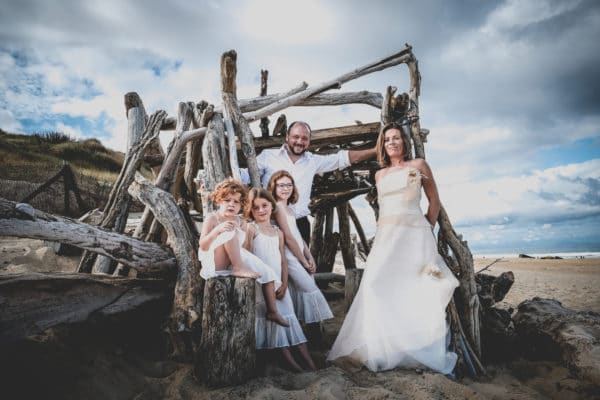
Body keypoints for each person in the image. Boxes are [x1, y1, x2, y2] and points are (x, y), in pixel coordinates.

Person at [327, 122, 459, 373]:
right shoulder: (379, 175)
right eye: (387, 139)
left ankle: (416, 348)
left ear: (404, 142)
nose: (392, 142)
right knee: (375, 285)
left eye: (396, 138)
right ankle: (383, 347)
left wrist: (424, 229)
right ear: (383, 145)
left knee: (414, 290)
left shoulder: (419, 166)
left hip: (415, 238)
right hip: (387, 237)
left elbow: (434, 203)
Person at [242, 120, 376, 243]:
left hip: (299, 224)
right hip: (270, 222)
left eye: (304, 138)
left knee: (302, 266)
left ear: (309, 141)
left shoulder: (313, 161)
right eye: (296, 137)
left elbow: (343, 158)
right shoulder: (268, 156)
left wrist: (375, 151)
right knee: (273, 266)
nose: (300, 141)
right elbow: (246, 176)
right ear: (287, 137)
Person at [198, 178, 289, 327]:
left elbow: (244, 249)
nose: (232, 205)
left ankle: (272, 311)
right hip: (215, 262)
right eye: (227, 200)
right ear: (218, 201)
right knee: (230, 232)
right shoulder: (212, 218)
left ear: (242, 205)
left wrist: (256, 264)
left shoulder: (241, 222)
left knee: (267, 272)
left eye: (236, 202)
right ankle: (238, 267)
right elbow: (203, 245)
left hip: (233, 259)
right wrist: (218, 230)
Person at [245, 188, 317, 371]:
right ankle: (291, 363)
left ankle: (309, 362)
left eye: (265, 206)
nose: (261, 210)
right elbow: (247, 256)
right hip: (262, 284)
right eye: (256, 208)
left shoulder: (278, 232)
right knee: (275, 322)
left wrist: (285, 283)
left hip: (279, 284)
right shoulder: (251, 228)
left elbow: (283, 261)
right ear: (251, 210)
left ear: (271, 206)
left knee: (289, 319)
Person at [268, 170, 333, 325]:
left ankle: (302, 329)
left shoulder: (290, 208)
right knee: (309, 288)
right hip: (289, 256)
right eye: (281, 185)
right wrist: (304, 261)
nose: (285, 189)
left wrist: (309, 256)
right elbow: (289, 239)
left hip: (299, 253)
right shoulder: (277, 207)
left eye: (289, 185)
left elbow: (297, 235)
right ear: (274, 187)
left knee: (298, 290)